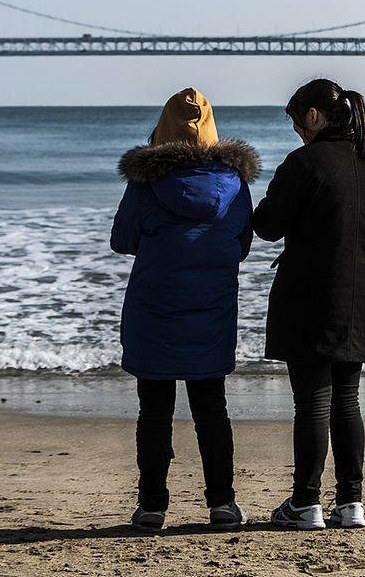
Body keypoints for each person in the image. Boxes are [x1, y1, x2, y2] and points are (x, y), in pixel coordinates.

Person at [110, 87, 260, 531]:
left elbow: (122, 240)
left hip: (154, 312)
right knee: (211, 410)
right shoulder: (235, 186)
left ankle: (152, 506)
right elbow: (242, 246)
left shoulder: (146, 185)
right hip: (211, 311)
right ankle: (223, 505)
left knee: (154, 411)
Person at [252, 78, 365, 530]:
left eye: (296, 121)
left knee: (312, 402)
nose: (296, 130)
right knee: (347, 401)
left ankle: (305, 502)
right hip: (362, 294)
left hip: (311, 293)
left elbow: (268, 226)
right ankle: (351, 502)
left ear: (313, 116)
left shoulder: (305, 162)